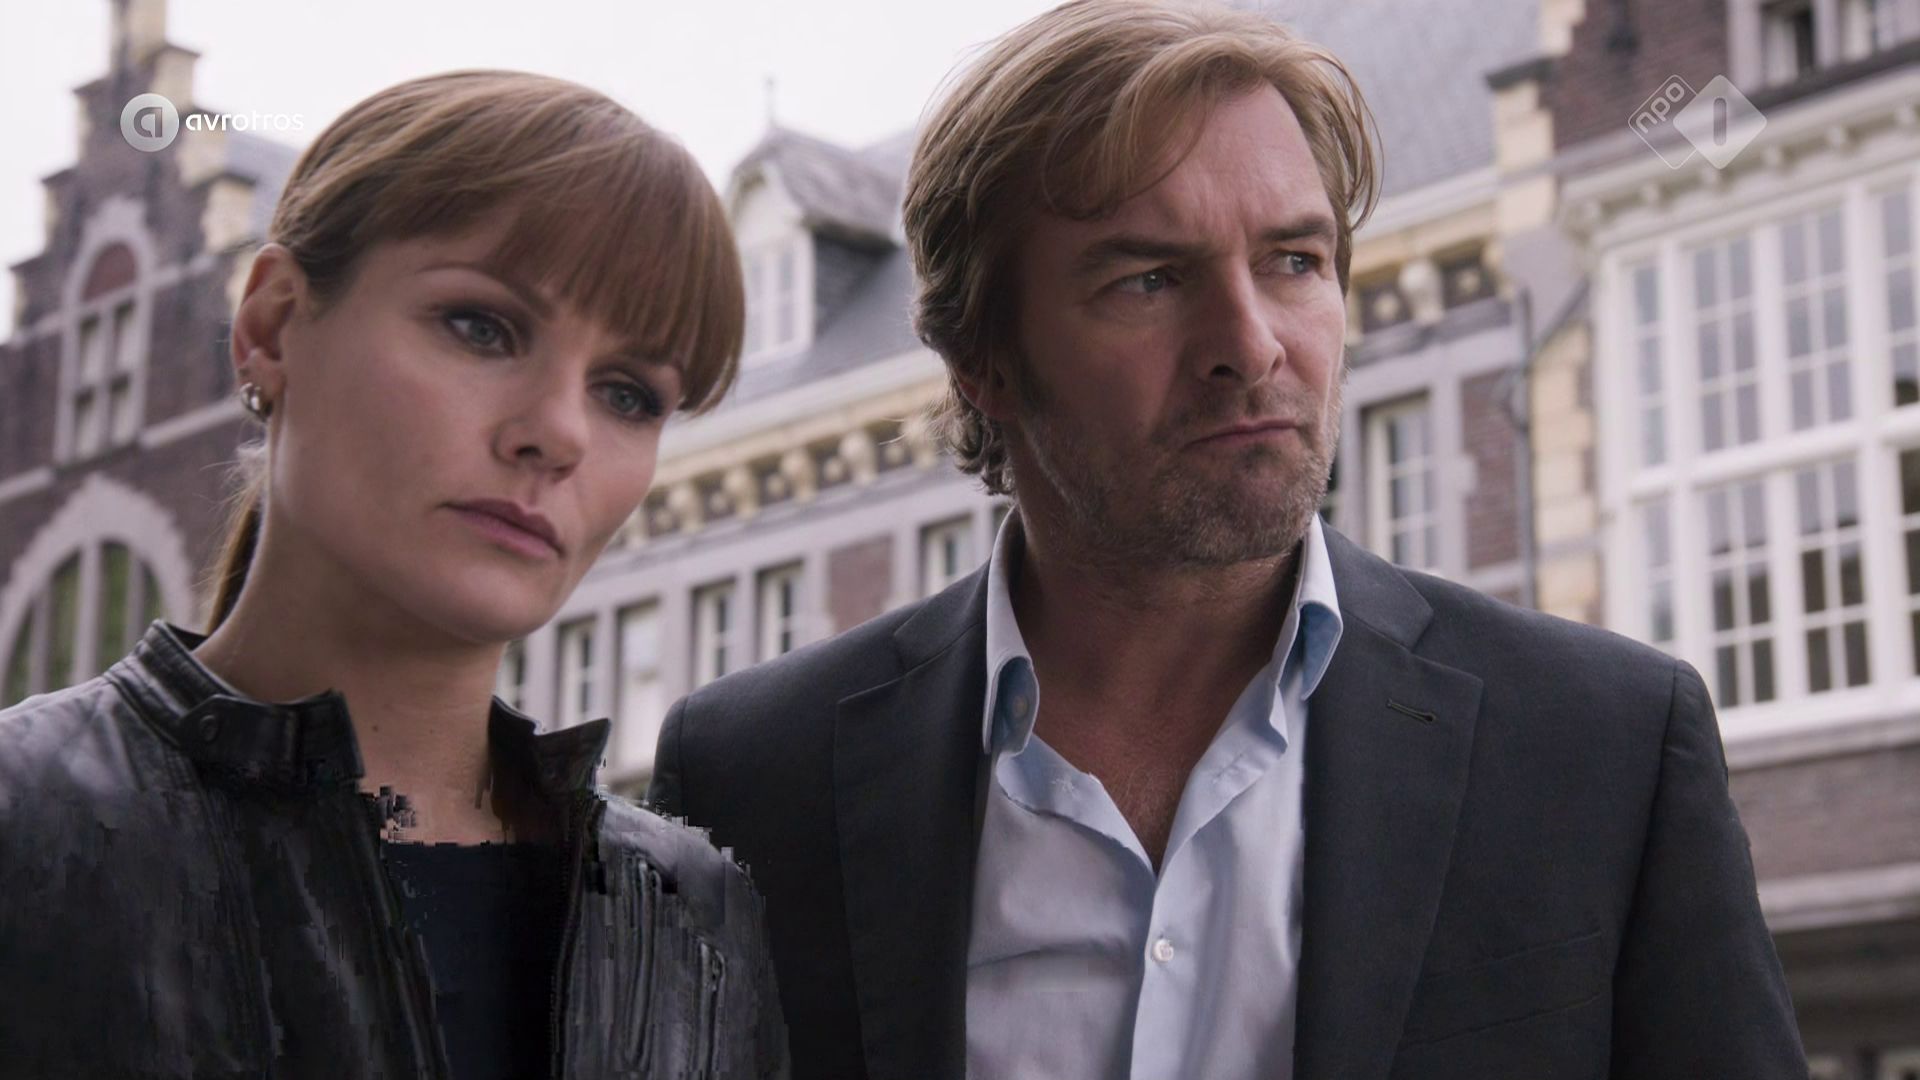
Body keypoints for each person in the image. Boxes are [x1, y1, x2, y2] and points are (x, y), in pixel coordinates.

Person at [645, 2, 1809, 1077]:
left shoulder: (1605, 750)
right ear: (983, 360)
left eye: (1295, 262)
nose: (1251, 345)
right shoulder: (753, 782)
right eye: (1150, 280)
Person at [0, 70, 787, 1079]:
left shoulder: (695, 918)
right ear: (272, 326)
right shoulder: (27, 820)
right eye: (481, 327)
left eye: (629, 394)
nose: (558, 432)